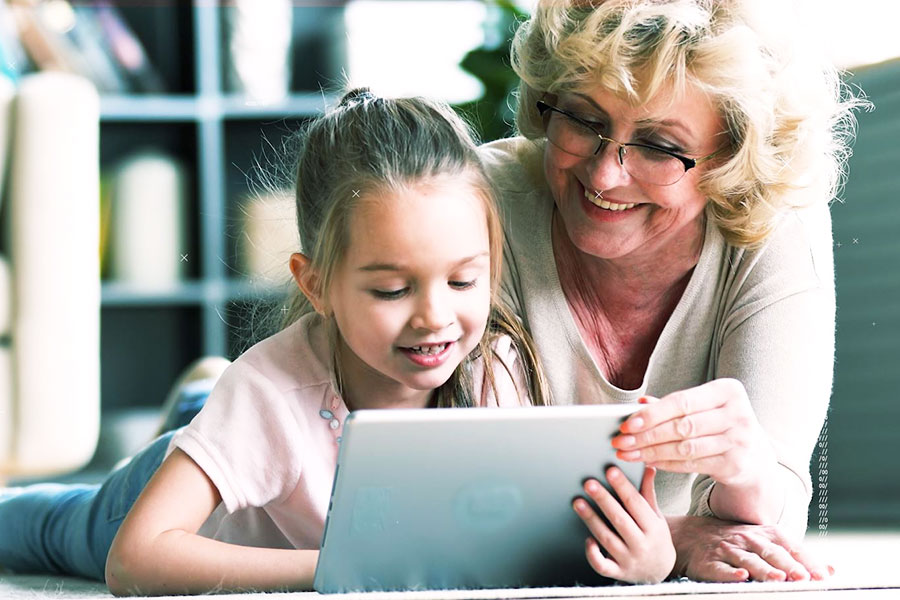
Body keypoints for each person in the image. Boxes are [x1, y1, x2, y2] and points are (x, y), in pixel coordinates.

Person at [0, 90, 674, 594]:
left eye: (465, 280)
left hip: (255, 439)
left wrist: (647, 560)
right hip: (169, 493)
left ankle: (200, 405)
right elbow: (135, 558)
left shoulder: (493, 367)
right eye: (390, 291)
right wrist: (336, 570)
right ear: (316, 286)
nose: (435, 318)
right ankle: (201, 414)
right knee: (43, 526)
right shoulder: (270, 392)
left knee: (226, 410)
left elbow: (533, 541)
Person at [479, 0, 863, 583]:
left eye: (659, 146)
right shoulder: (482, 202)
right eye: (584, 120)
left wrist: (750, 472)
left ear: (731, 159)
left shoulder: (773, 223)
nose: (606, 175)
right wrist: (678, 539)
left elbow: (771, 522)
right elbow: (472, 498)